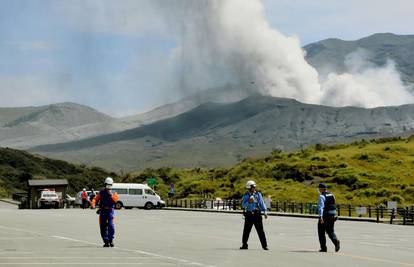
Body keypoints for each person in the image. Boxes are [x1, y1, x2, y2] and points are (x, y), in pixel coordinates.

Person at [91, 177, 119, 248]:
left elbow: (115, 200)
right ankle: (106, 241)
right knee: (102, 226)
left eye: (110, 185)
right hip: (103, 210)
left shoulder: (114, 192)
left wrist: (111, 194)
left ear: (112, 185)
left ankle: (111, 240)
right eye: (107, 185)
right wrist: (93, 204)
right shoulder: (101, 192)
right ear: (105, 184)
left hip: (110, 211)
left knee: (111, 225)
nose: (108, 187)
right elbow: (95, 199)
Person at [240, 180, 268, 250]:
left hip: (257, 214)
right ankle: (244, 245)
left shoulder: (258, 194)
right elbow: (243, 205)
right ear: (249, 188)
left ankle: (264, 245)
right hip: (249, 214)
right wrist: (248, 202)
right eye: (252, 187)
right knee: (246, 231)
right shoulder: (246, 196)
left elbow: (262, 203)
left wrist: (265, 211)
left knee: (261, 231)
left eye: (254, 187)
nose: (254, 188)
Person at [317, 183, 340, 252]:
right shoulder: (332, 195)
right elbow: (333, 205)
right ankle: (336, 241)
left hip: (325, 216)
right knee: (330, 231)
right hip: (332, 215)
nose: (318, 190)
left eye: (319, 189)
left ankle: (323, 248)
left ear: (321, 189)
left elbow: (321, 207)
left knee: (321, 232)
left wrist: (320, 216)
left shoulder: (321, 196)